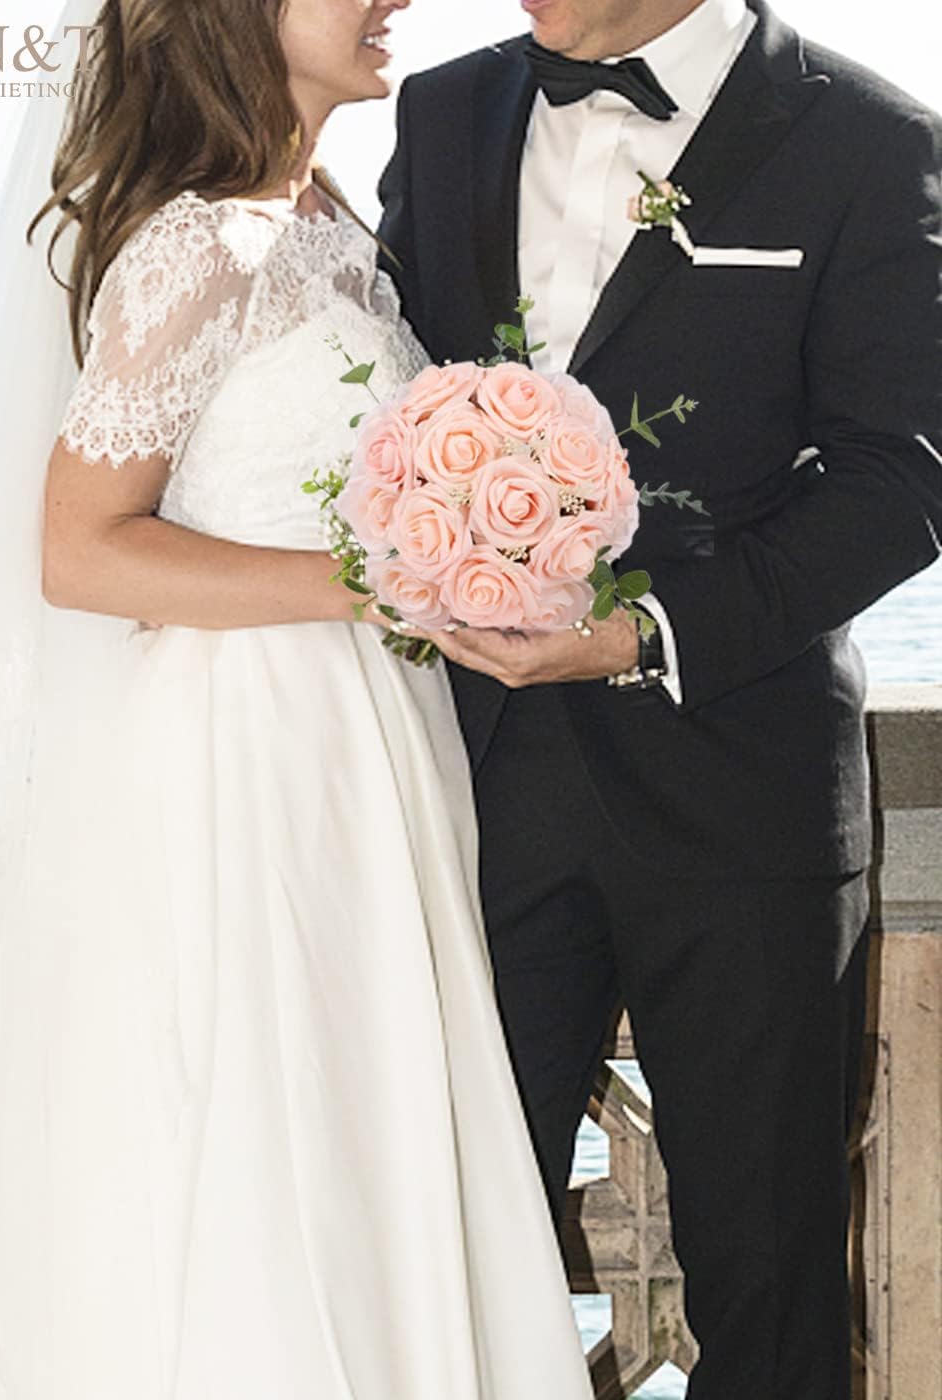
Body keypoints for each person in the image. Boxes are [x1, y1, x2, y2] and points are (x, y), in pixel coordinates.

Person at [0, 2, 595, 1396]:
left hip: (369, 748)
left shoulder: (328, 229)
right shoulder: (202, 242)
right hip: (248, 758)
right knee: (269, 1136)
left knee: (365, 1139)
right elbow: (79, 549)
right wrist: (382, 582)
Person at [378, 0, 942, 1395]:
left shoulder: (874, 141)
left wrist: (642, 634)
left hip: (742, 804)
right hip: (470, 798)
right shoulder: (442, 112)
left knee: (769, 1284)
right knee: (447, 1268)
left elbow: (900, 482)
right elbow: (378, 413)